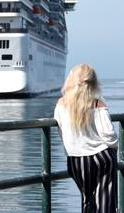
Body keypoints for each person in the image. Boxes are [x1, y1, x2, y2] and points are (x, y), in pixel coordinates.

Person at [54, 64, 118, 213]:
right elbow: (109, 135)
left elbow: (62, 131)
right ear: (93, 83)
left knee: (87, 199)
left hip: (76, 160)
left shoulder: (61, 104)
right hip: (102, 157)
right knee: (105, 200)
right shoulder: (97, 104)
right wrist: (116, 147)